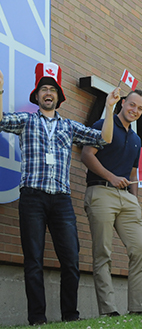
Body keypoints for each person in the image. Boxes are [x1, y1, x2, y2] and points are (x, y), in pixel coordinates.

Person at [0, 63, 120, 325]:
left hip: (61, 200)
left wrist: (110, 109)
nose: (48, 93)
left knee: (71, 261)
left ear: (59, 97)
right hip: (32, 197)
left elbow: (104, 139)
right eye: (44, 89)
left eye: (52, 90)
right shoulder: (26, 120)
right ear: (37, 96)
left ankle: (70, 316)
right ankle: (37, 319)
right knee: (33, 261)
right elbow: (0, 121)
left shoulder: (69, 126)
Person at [81, 89, 142, 317]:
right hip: (101, 191)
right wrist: (111, 177)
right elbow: (87, 155)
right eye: (132, 105)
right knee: (103, 252)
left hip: (126, 199)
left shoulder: (137, 139)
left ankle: (136, 308)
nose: (135, 111)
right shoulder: (103, 123)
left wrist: (134, 197)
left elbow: (133, 171)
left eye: (140, 108)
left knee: (140, 250)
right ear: (122, 103)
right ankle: (109, 310)